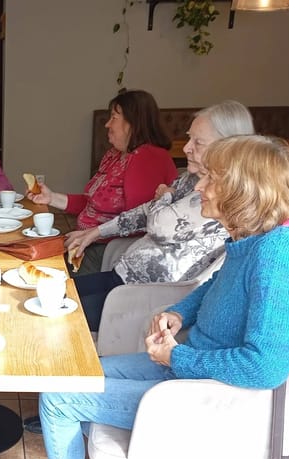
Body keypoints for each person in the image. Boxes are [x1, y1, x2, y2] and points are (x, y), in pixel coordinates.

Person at [1, 135, 289, 459]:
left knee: (60, 396)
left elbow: (266, 368)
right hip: (199, 373)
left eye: (210, 179)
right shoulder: (267, 236)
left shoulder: (278, 261)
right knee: (78, 373)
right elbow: (221, 283)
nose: (198, 187)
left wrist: (178, 355)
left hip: (218, 398)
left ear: (242, 191)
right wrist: (182, 312)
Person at [72, 100, 255, 329]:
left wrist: (165, 197)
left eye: (197, 142)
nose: (187, 147)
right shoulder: (191, 178)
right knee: (61, 291)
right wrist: (97, 231)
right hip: (124, 279)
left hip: (147, 300)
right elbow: (148, 210)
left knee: (60, 312)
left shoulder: (219, 195)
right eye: (190, 138)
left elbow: (160, 225)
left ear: (228, 148)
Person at [30, 89, 177, 275]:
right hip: (90, 242)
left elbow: (137, 221)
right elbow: (92, 203)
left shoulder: (148, 158)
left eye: (114, 118)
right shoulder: (115, 154)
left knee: (46, 275)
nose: (107, 124)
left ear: (133, 123)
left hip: (111, 252)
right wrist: (51, 198)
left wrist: (91, 234)